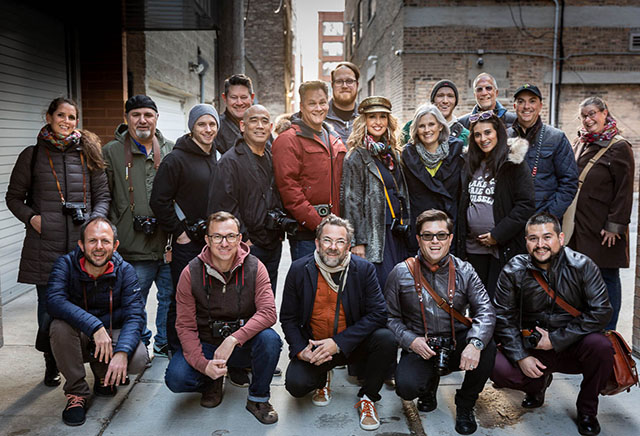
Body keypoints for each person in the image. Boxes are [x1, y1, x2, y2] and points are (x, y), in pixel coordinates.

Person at [5, 97, 110, 388]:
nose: (66, 121)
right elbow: (13, 198)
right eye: (61, 115)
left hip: (83, 247)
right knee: (49, 310)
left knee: (86, 307)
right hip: (45, 247)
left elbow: (103, 196)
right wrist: (33, 218)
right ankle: (51, 360)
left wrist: (93, 223)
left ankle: (91, 366)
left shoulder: (88, 151)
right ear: (49, 117)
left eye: (72, 117)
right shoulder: (32, 155)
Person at [492, 212, 614, 436]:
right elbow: (502, 316)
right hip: (533, 346)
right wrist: (521, 356)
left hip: (574, 344)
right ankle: (537, 386)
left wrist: (557, 339)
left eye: (547, 237)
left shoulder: (582, 266)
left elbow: (602, 311)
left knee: (602, 347)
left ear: (561, 237)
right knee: (495, 366)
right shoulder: (514, 269)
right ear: (525, 241)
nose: (540, 245)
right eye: (533, 238)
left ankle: (587, 410)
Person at [280, 214, 397, 431]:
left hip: (351, 345)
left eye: (340, 241)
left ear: (348, 246)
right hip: (315, 346)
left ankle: (368, 398)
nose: (333, 247)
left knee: (387, 339)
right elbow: (288, 318)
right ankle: (322, 379)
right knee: (296, 385)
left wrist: (339, 342)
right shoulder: (299, 269)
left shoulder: (363, 269)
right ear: (317, 242)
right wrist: (300, 350)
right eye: (327, 240)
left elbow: (379, 313)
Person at [385, 209, 496, 435]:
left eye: (441, 235)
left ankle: (465, 404)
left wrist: (474, 344)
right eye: (427, 235)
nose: (435, 241)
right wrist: (411, 341)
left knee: (487, 347)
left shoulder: (465, 270)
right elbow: (389, 318)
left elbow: (486, 310)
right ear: (418, 239)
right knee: (406, 387)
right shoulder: (400, 273)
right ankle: (428, 387)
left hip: (456, 342)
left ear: (450, 238)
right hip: (421, 345)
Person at [164, 212, 281, 424]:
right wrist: (202, 364)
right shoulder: (190, 272)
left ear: (239, 239)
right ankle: (211, 380)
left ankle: (258, 398)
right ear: (207, 240)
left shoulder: (256, 267)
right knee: (176, 379)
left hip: (241, 345)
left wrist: (233, 339)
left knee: (270, 340)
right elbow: (185, 326)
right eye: (217, 236)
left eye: (230, 236)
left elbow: (268, 312)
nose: (224, 243)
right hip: (207, 343)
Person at [46, 217, 148, 426]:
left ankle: (104, 376)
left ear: (115, 245)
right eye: (92, 241)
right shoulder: (65, 265)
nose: (99, 247)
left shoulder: (125, 271)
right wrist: (95, 326)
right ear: (81, 245)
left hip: (111, 333)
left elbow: (134, 315)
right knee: (59, 327)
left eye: (105, 241)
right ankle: (77, 393)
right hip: (80, 336)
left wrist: (122, 352)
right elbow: (54, 301)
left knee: (137, 357)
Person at [102, 95, 174, 358]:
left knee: (170, 297)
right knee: (135, 300)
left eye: (148, 114)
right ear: (127, 118)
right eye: (136, 115)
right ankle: (141, 342)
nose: (142, 120)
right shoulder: (110, 151)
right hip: (130, 244)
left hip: (166, 243)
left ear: (156, 118)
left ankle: (164, 341)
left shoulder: (170, 149)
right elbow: (103, 196)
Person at [150, 104, 218, 354]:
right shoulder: (175, 159)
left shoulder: (217, 156)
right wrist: (180, 233)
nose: (208, 129)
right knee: (183, 297)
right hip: (187, 244)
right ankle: (175, 347)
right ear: (191, 127)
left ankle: (200, 344)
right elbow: (158, 201)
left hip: (213, 242)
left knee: (208, 297)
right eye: (202, 124)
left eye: (212, 124)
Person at [567, 97, 634, 331]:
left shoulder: (619, 146)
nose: (588, 119)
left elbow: (624, 189)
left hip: (604, 228)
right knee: (581, 279)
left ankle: (609, 332)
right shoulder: (579, 142)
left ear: (605, 113)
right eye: (584, 115)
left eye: (593, 113)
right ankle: (587, 330)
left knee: (607, 278)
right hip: (580, 225)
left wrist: (615, 224)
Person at [456, 112, 535, 299]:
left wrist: (497, 235)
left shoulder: (513, 163)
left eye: (487, 132)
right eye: (477, 135)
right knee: (476, 302)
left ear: (498, 133)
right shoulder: (469, 163)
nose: (483, 139)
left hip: (502, 248)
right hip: (472, 249)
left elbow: (526, 205)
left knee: (498, 302)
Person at [208, 105, 284, 294]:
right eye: (254, 120)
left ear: (271, 127)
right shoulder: (230, 162)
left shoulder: (271, 157)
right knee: (243, 305)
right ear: (242, 126)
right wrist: (244, 240)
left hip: (272, 244)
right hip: (246, 247)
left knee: (266, 302)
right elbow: (221, 209)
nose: (260, 126)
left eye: (264, 121)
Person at [272, 81, 347, 261]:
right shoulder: (288, 140)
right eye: (312, 103)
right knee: (308, 286)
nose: (318, 108)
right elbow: (289, 189)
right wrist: (319, 225)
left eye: (322, 102)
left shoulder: (333, 138)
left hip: (335, 230)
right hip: (306, 235)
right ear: (301, 106)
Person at [341, 96, 410, 289]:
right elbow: (351, 201)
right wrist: (357, 242)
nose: (378, 122)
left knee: (399, 285)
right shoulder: (356, 156)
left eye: (382, 117)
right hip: (374, 235)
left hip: (397, 231)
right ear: (364, 120)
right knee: (383, 286)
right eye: (372, 117)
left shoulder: (393, 153)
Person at [401, 104, 465, 255]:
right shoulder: (407, 155)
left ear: (441, 126)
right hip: (420, 229)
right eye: (421, 126)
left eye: (431, 124)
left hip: (448, 226)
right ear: (416, 130)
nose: (427, 130)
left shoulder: (457, 150)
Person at [508, 84, 578, 217]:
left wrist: (550, 216)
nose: (526, 106)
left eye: (532, 101)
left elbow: (569, 183)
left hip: (544, 219)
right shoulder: (505, 137)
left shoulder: (556, 137)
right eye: (521, 101)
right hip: (510, 219)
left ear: (540, 106)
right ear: (515, 107)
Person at [402, 80, 469, 145]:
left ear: (455, 101)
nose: (445, 101)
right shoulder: (411, 127)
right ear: (433, 100)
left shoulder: (464, 135)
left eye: (450, 96)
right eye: (440, 95)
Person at [214, 74, 255, 155]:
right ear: (224, 98)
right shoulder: (215, 128)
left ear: (252, 98)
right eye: (233, 97)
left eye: (243, 97)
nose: (239, 103)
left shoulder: (262, 127)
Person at [325, 62, 360, 144]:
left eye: (349, 81)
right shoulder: (319, 117)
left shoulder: (367, 118)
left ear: (357, 85)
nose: (344, 86)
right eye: (339, 81)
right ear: (332, 85)